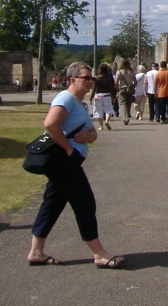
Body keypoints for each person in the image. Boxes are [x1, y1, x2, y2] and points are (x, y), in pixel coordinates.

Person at [26, 62, 125, 269]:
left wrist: (89, 136)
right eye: (86, 78)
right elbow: (50, 123)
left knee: (52, 203)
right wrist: (68, 150)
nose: (91, 81)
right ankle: (99, 253)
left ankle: (36, 252)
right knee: (85, 204)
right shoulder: (66, 98)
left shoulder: (82, 104)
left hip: (67, 161)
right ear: (72, 80)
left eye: (92, 78)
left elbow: (93, 134)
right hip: (64, 162)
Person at [90, 63, 114, 131]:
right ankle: (107, 121)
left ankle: (101, 126)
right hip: (107, 95)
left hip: (98, 95)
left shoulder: (97, 78)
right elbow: (111, 88)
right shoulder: (108, 78)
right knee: (108, 109)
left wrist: (91, 97)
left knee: (98, 110)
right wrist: (113, 96)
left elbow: (94, 88)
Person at [114, 60, 137, 125]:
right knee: (128, 103)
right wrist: (133, 87)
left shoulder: (119, 72)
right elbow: (135, 82)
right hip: (129, 88)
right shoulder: (131, 72)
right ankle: (128, 114)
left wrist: (117, 89)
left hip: (122, 88)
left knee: (122, 103)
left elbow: (116, 82)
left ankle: (125, 118)